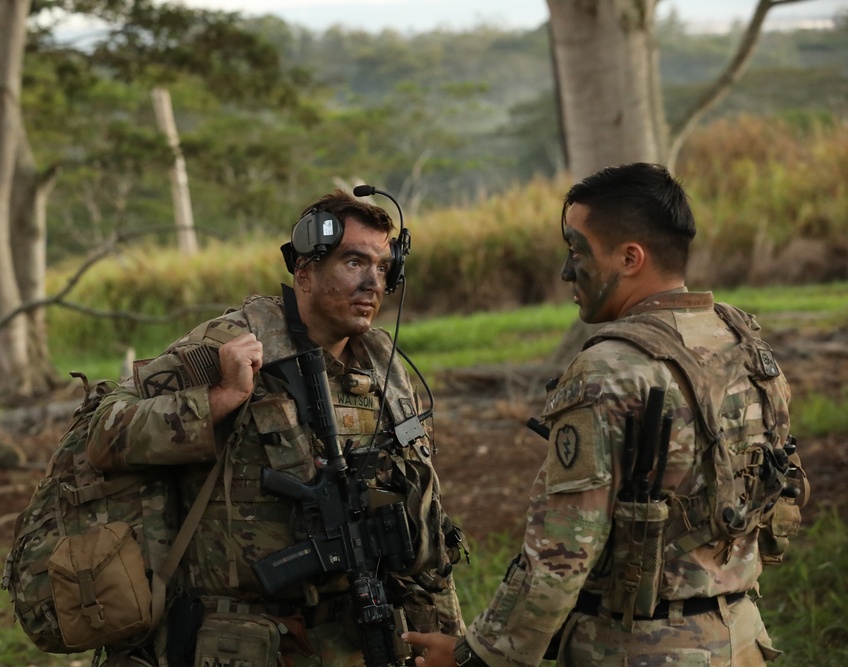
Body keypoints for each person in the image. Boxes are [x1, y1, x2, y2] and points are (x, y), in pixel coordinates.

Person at [403, 162, 808, 666]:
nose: (567, 271)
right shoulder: (744, 343)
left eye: (577, 250)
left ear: (630, 257)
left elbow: (561, 557)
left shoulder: (609, 368)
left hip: (638, 649)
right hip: (742, 636)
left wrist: (477, 657)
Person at [85, 189, 467, 667]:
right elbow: (103, 433)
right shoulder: (233, 343)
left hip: (363, 634)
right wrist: (219, 399)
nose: (374, 282)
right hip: (246, 641)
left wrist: (452, 637)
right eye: (354, 262)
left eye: (384, 267)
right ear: (304, 271)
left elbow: (425, 522)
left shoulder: (384, 365)